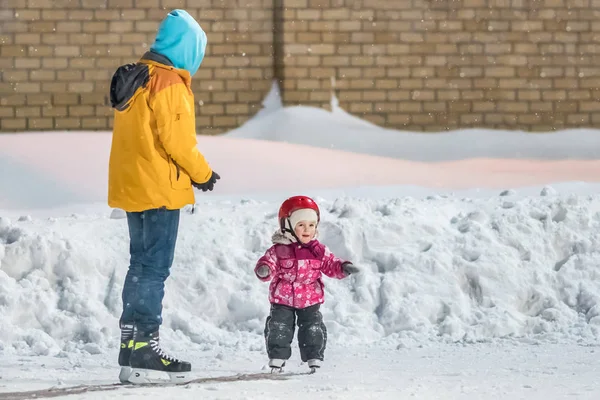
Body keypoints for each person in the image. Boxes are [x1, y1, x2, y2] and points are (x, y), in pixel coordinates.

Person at [108, 9, 220, 384]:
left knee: (139, 265)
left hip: (133, 185)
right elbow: (177, 142)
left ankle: (132, 345)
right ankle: (144, 348)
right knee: (154, 267)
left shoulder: (138, 76)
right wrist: (202, 174)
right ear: (186, 48)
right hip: (159, 189)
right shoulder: (169, 82)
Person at [254, 196, 360, 373]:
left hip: (310, 298)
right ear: (287, 226)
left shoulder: (318, 250)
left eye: (311, 225)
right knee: (279, 327)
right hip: (283, 299)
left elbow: (330, 264)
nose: (307, 229)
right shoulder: (279, 250)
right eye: (301, 224)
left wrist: (343, 267)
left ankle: (314, 357)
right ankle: (277, 358)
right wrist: (264, 269)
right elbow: (268, 262)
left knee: (313, 327)